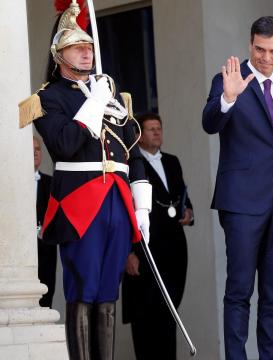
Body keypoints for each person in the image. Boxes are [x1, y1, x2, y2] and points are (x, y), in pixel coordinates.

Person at [19, 2, 152, 359]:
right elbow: (63, 144)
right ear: (58, 54)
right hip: (80, 202)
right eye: (78, 47)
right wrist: (93, 104)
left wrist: (142, 207)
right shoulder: (48, 98)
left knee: (109, 291)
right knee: (84, 288)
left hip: (118, 201)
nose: (87, 52)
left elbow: (132, 152)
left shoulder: (111, 93)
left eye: (90, 46)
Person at [202, 16, 273, 359]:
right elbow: (209, 122)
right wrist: (227, 98)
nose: (266, 58)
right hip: (241, 202)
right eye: (259, 49)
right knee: (240, 291)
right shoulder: (229, 79)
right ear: (249, 45)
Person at [122, 113, 194, 360]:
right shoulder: (130, 163)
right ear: (139, 136)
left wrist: (188, 211)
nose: (156, 133)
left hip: (173, 250)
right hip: (144, 251)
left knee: (169, 313)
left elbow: (182, 194)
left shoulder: (172, 161)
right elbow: (126, 208)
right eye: (150, 129)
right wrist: (128, 252)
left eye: (159, 128)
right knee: (145, 317)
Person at [34, 136, 57, 308]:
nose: (35, 153)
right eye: (31, 150)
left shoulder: (51, 183)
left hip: (46, 253)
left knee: (46, 301)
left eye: (38, 149)